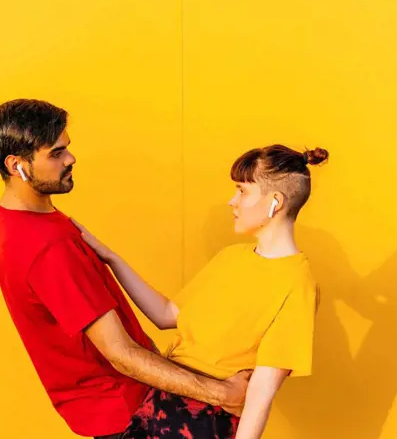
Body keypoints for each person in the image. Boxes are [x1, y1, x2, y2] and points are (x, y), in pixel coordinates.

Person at [0, 99, 250, 439]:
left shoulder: (7, 219)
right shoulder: (48, 247)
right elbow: (120, 354)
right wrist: (223, 394)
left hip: (114, 404)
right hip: (129, 412)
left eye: (67, 148)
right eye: (55, 154)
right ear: (16, 165)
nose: (70, 159)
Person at [73, 144, 327, 438]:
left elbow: (260, 393)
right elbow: (166, 315)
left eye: (242, 191)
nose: (232, 201)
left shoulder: (297, 283)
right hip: (156, 405)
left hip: (202, 424)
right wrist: (111, 259)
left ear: (275, 201)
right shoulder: (231, 257)